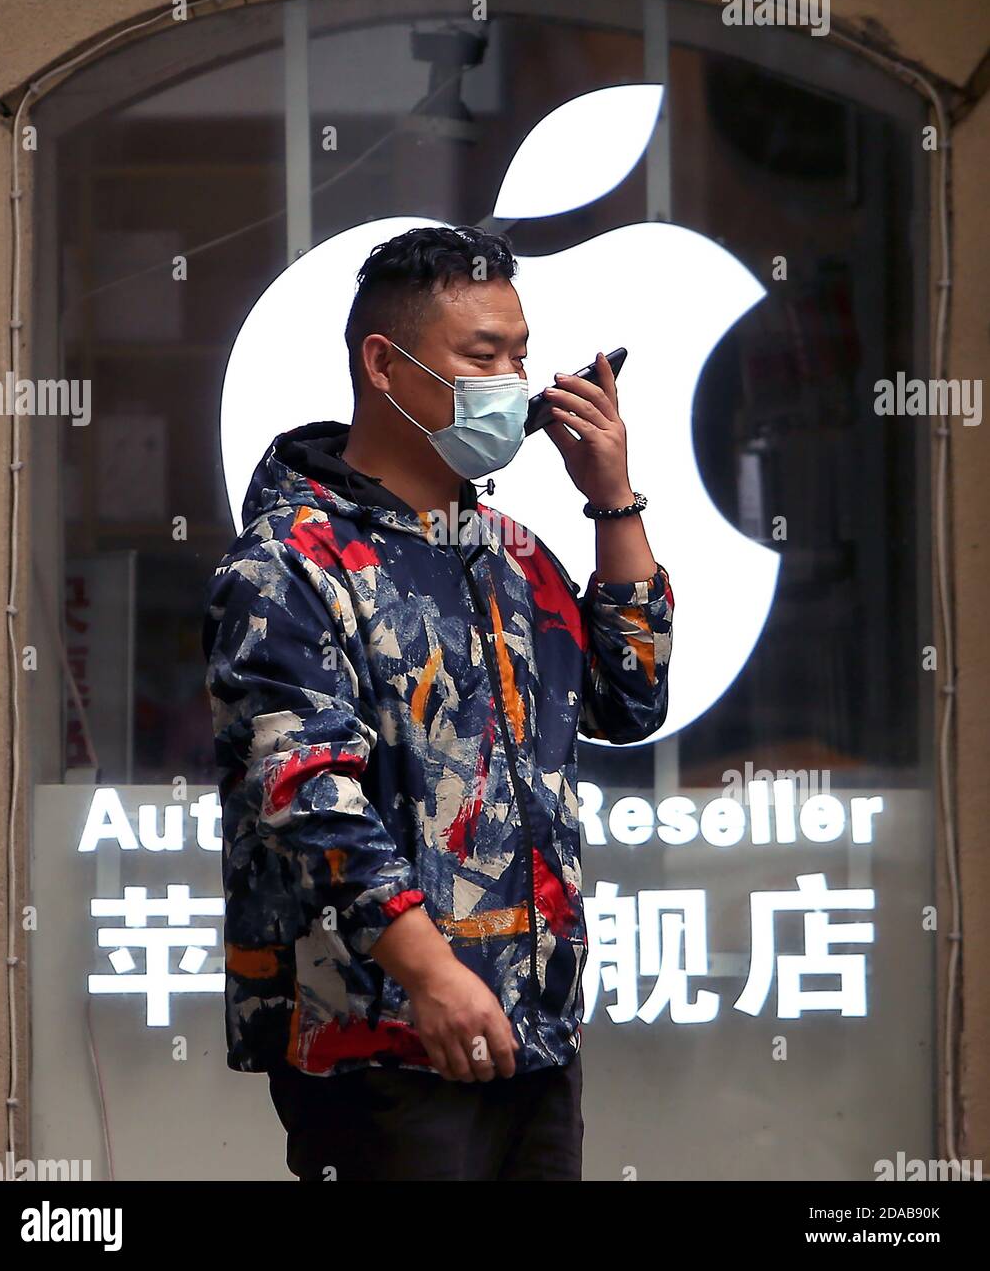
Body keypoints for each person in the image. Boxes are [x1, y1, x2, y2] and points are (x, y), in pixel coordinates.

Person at [201, 225, 674, 1181]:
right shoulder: (288, 561)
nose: (513, 379)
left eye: (521, 355)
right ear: (385, 363)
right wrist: (432, 975)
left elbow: (631, 701)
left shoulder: (510, 552)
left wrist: (611, 500)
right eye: (481, 355)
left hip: (529, 1027)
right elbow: (302, 793)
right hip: (381, 1030)